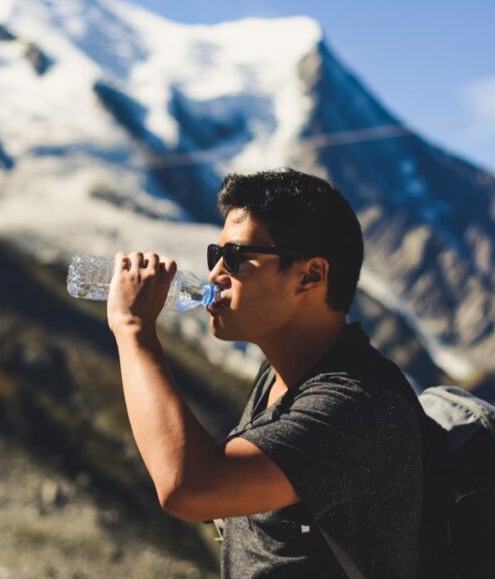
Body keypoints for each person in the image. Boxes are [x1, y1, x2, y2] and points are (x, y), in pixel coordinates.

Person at [106, 168, 424, 578]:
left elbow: (188, 486)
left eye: (235, 258)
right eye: (215, 255)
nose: (216, 274)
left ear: (310, 275)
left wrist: (132, 328)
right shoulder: (284, 374)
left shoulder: (354, 406)